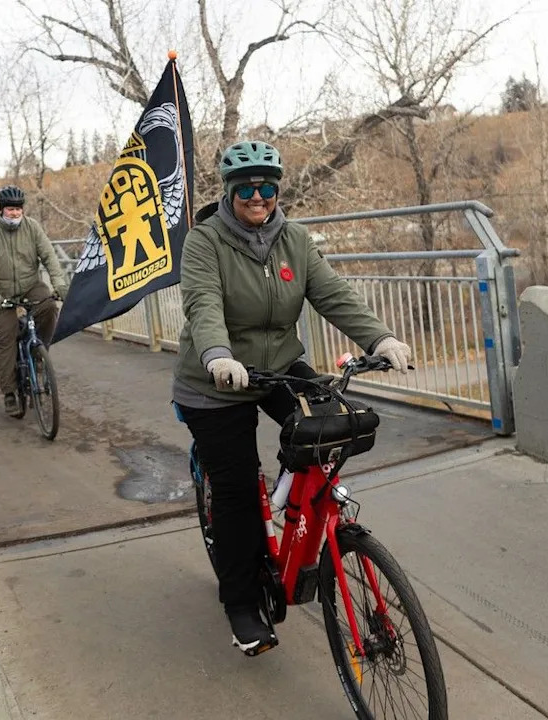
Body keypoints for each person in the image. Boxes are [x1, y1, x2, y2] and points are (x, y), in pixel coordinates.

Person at [172, 140, 412, 656]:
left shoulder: (294, 239)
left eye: (266, 189)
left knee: (329, 431)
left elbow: (332, 294)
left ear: (277, 191)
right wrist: (217, 354)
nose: (258, 198)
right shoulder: (205, 241)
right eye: (246, 190)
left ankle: (290, 504)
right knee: (235, 493)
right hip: (217, 380)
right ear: (230, 192)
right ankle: (240, 601)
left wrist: (379, 338)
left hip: (279, 366)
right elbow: (202, 302)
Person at [0, 185, 69, 417]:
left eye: (18, 209)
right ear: (1, 210)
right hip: (0, 291)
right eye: (10, 209)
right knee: (5, 339)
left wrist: (60, 284)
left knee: (47, 306)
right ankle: (10, 393)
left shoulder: (32, 227)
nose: (14, 213)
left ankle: (38, 353)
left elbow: (49, 257)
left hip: (30, 285)